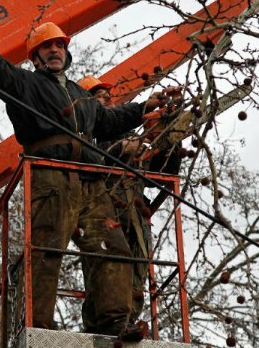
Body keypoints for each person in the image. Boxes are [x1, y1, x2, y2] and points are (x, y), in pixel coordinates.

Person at [0, 15, 167, 341]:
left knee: (112, 247)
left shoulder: (79, 94)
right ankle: (37, 326)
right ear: (35, 56)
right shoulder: (26, 84)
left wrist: (143, 109)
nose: (55, 50)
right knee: (47, 250)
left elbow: (108, 120)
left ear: (67, 53)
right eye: (47, 46)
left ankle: (112, 323)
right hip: (52, 178)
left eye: (59, 45)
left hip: (89, 180)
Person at [78, 75, 182, 330]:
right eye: (97, 96)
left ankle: (127, 323)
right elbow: (81, 166)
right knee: (105, 269)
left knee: (137, 270)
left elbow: (164, 172)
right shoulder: (82, 133)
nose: (106, 99)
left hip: (134, 209)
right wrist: (117, 150)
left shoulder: (127, 131)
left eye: (107, 95)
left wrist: (170, 139)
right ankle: (100, 326)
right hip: (101, 206)